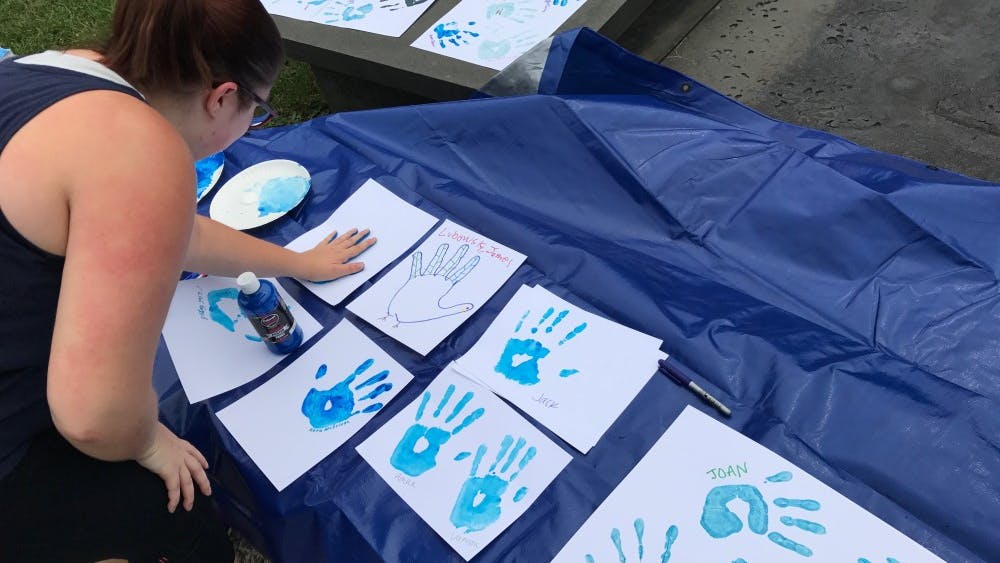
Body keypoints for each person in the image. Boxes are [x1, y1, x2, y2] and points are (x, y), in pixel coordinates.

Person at [0, 1, 376, 561]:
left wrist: (300, 263)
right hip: (16, 441)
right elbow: (92, 415)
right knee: (181, 518)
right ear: (223, 97)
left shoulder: (48, 72)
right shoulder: (140, 149)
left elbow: (177, 234)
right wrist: (151, 440)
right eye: (260, 111)